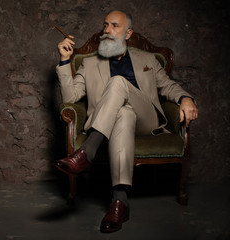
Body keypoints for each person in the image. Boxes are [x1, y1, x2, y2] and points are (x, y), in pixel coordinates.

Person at [54, 10, 198, 233]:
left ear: (128, 33)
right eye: (105, 25)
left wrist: (185, 98)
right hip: (116, 123)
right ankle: (120, 202)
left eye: (114, 26)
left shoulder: (148, 59)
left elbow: (168, 86)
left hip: (147, 121)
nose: (107, 30)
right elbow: (70, 99)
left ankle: (87, 152)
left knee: (118, 82)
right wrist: (65, 60)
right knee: (123, 114)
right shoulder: (89, 64)